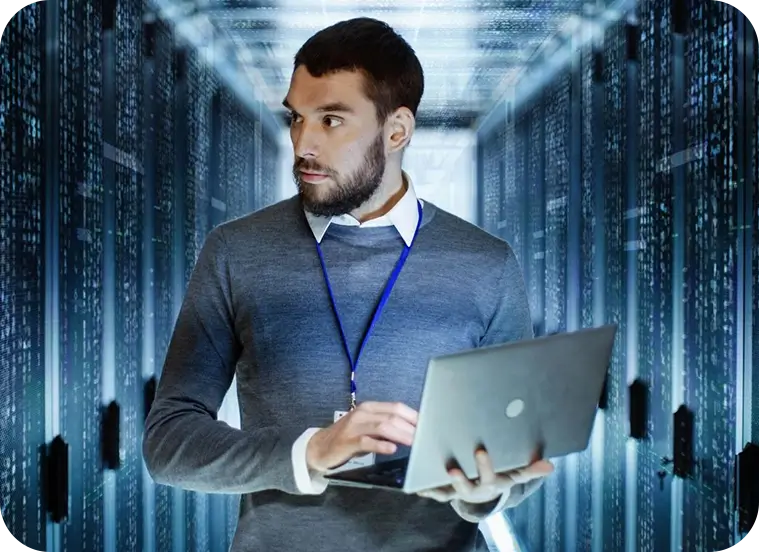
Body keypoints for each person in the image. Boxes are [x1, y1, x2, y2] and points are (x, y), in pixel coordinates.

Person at [143, 16, 553, 551]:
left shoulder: (487, 264)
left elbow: (511, 451)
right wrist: (308, 452)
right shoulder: (235, 251)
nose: (303, 144)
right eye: (297, 118)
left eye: (331, 120)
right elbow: (169, 442)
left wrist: (484, 492)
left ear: (397, 130)